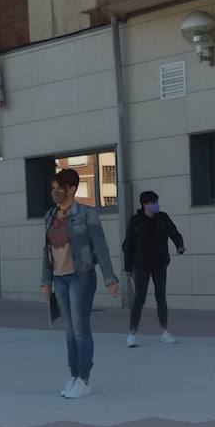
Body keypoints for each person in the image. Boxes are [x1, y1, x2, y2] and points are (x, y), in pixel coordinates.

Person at [39, 168, 121, 399]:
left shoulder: (86, 214)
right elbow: (46, 251)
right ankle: (74, 375)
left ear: (71, 189)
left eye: (59, 189)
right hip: (59, 278)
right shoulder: (50, 216)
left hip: (81, 276)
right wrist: (45, 281)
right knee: (69, 330)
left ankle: (84, 379)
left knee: (80, 329)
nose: (54, 192)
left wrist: (110, 279)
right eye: (53, 189)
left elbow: (101, 248)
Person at [122, 190, 185, 347]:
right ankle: (132, 334)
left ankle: (165, 331)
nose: (156, 205)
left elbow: (174, 233)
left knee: (161, 297)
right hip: (141, 266)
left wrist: (180, 246)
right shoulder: (135, 221)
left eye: (157, 202)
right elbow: (127, 245)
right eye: (153, 203)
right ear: (145, 205)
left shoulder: (163, 218)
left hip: (160, 263)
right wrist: (127, 267)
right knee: (140, 298)